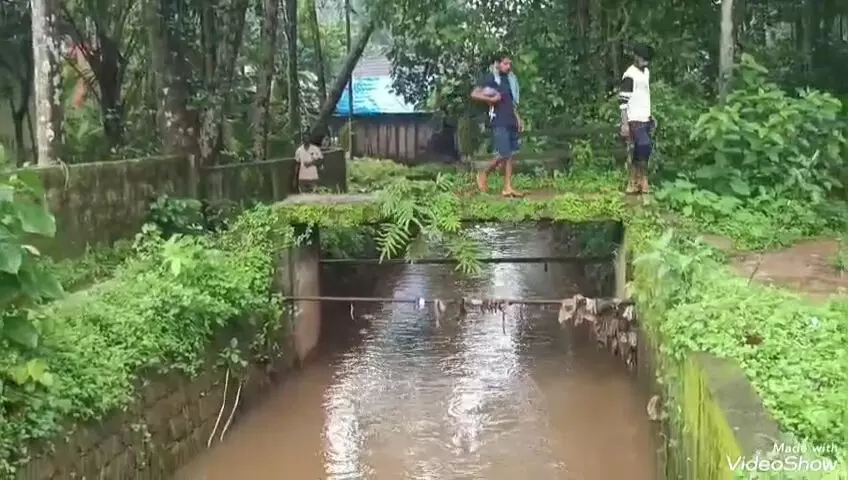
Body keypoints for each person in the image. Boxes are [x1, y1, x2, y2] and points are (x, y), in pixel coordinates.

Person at [470, 52, 524, 197]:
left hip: (510, 118)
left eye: (510, 64)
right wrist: (492, 100)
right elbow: (474, 94)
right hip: (498, 119)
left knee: (511, 154)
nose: (508, 66)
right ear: (497, 64)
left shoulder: (510, 80)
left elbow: (511, 103)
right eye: (505, 63)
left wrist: (518, 118)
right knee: (504, 153)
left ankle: (507, 187)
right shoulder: (490, 78)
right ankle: (484, 173)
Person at [618, 43, 656, 194]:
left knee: (640, 150)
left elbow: (645, 95)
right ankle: (642, 179)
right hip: (634, 118)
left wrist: (650, 114)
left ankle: (636, 181)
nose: (645, 62)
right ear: (636, 57)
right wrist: (624, 123)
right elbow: (622, 102)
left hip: (645, 116)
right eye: (643, 59)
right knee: (644, 145)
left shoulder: (646, 72)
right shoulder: (629, 75)